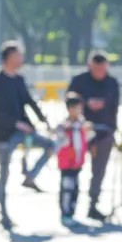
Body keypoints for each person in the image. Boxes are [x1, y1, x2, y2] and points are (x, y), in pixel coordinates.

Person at [0, 41, 53, 230]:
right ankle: (3, 214)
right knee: (4, 174)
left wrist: (43, 120)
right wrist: (17, 124)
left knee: (50, 145)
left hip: (23, 131)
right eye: (18, 55)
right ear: (8, 58)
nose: (21, 59)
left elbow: (29, 101)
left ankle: (30, 176)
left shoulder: (19, 80)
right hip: (4, 133)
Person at [67, 51, 120, 222]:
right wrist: (85, 103)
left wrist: (112, 131)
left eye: (103, 69)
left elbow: (114, 108)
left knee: (99, 171)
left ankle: (93, 204)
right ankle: (69, 207)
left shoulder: (112, 83)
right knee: (73, 168)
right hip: (80, 132)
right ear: (90, 66)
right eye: (96, 69)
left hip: (104, 132)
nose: (100, 73)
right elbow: (69, 102)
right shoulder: (79, 81)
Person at [54, 92, 90, 227]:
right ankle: (65, 213)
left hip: (77, 163)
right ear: (70, 109)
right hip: (66, 164)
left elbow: (86, 140)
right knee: (67, 188)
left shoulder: (82, 124)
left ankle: (72, 212)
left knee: (75, 188)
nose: (79, 111)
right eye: (77, 108)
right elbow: (59, 143)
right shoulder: (64, 126)